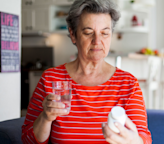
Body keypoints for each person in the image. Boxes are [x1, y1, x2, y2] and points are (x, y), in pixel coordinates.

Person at [21, 0, 152, 143]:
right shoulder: (50, 79)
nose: (97, 41)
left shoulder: (128, 84)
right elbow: (28, 140)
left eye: (105, 33)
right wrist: (45, 118)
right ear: (73, 34)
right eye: (88, 32)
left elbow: (144, 139)